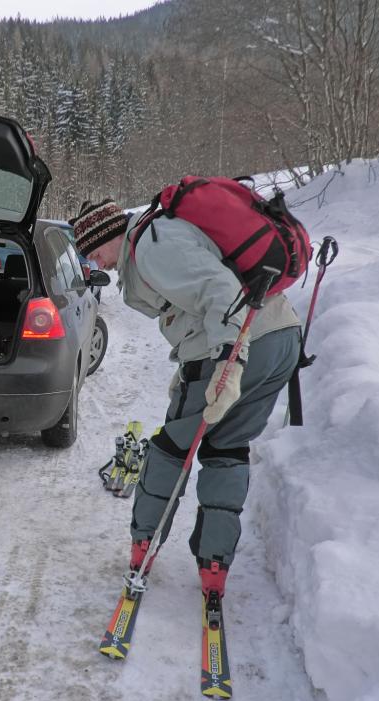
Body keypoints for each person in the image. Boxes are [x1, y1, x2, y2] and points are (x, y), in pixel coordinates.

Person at [69, 198, 301, 600]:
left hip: (245, 342)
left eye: (93, 251)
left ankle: (144, 545)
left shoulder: (152, 246)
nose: (93, 262)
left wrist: (229, 359)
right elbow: (196, 308)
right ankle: (214, 564)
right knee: (226, 447)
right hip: (278, 337)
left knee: (169, 450)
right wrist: (190, 369)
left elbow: (220, 291)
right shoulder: (154, 242)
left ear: (109, 236)